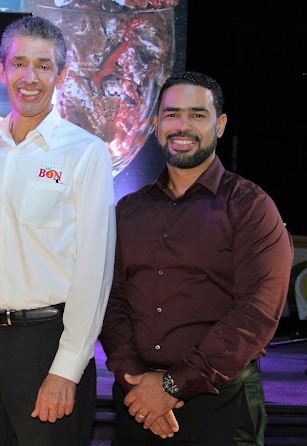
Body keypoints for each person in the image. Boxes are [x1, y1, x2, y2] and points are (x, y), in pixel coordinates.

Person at [99, 71, 295, 445]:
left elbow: (257, 312)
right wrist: (137, 383)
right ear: (155, 125)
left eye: (197, 115)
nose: (182, 126)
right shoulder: (128, 211)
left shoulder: (251, 207)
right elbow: (111, 300)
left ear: (219, 125)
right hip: (137, 401)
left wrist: (171, 386)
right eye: (172, 114)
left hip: (221, 403)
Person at [0, 16, 116, 446]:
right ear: (2, 70)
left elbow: (94, 271)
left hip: (48, 343)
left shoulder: (86, 153)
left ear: (62, 74)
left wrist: (67, 367)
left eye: (44, 66)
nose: (30, 78)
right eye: (20, 63)